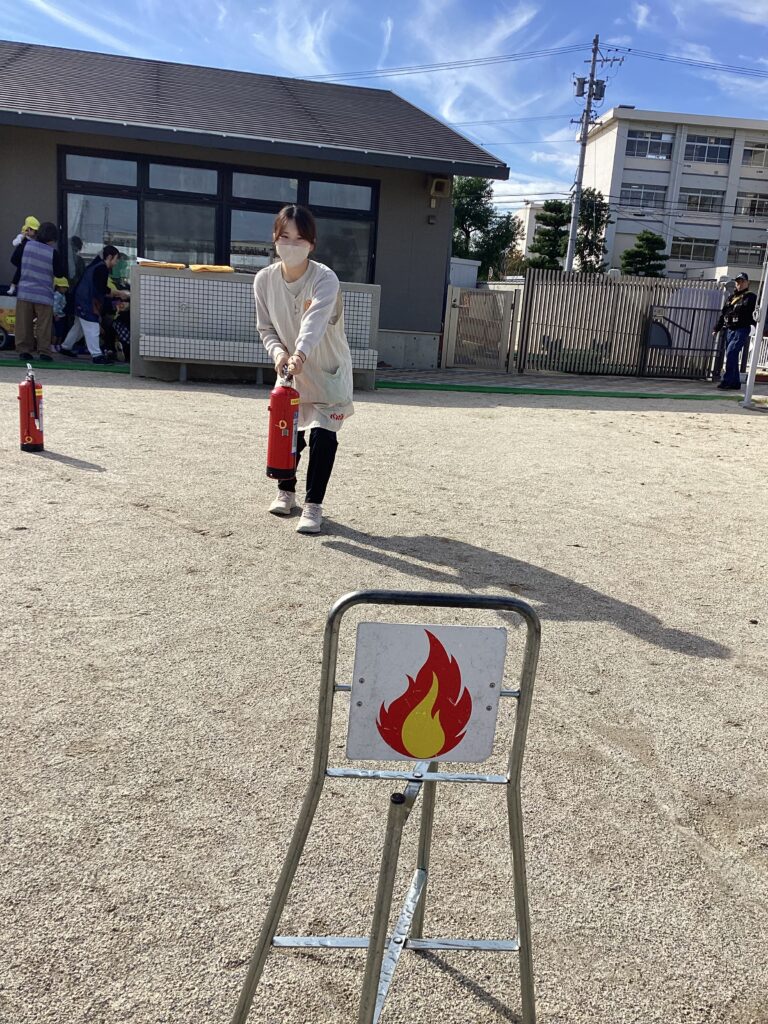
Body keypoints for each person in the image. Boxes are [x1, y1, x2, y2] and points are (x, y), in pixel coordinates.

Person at [253, 204, 354, 535]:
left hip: (325, 369)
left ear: (312, 243)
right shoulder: (264, 280)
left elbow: (315, 322)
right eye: (285, 237)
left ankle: (313, 505)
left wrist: (299, 353)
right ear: (274, 238)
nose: (291, 245)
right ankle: (286, 490)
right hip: (290, 370)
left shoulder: (325, 278)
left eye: (300, 239)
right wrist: (279, 353)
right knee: (288, 432)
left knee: (323, 436)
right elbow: (266, 327)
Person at [60, 245, 129, 364]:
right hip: (86, 301)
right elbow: (102, 289)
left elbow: (100, 288)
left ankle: (66, 347)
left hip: (82, 300)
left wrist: (117, 293)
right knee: (92, 326)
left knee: (79, 327)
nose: (116, 263)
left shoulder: (97, 266)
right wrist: (120, 293)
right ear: (109, 257)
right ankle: (97, 355)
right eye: (116, 259)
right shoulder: (101, 268)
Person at [11, 221, 66, 362]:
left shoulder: (25, 246)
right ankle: (44, 352)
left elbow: (14, 260)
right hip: (44, 294)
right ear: (52, 238)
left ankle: (24, 351)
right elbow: (60, 273)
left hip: (25, 292)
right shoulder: (53, 253)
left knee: (24, 324)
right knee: (43, 326)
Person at [713, 272, 756, 390]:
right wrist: (717, 328)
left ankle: (727, 381)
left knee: (731, 352)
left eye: (742, 282)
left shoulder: (751, 297)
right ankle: (735, 382)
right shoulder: (731, 298)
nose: (740, 284)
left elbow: (753, 313)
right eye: (738, 282)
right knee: (732, 355)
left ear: (748, 283)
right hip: (730, 329)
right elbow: (723, 314)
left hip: (741, 329)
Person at [8, 216, 41, 296]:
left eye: (36, 231)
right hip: (17, 257)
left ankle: (14, 286)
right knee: (21, 268)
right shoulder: (22, 236)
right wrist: (22, 237)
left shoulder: (35, 239)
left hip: (25, 260)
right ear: (28, 229)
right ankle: (13, 286)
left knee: (21, 268)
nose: (35, 232)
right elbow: (14, 243)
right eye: (34, 230)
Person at [52, 277, 69, 351]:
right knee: (56, 332)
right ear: (58, 287)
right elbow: (54, 306)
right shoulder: (57, 295)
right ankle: (53, 345)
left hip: (62, 315)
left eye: (66, 287)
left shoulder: (62, 295)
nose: (65, 289)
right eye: (63, 287)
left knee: (61, 332)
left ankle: (58, 345)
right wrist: (55, 315)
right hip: (58, 316)